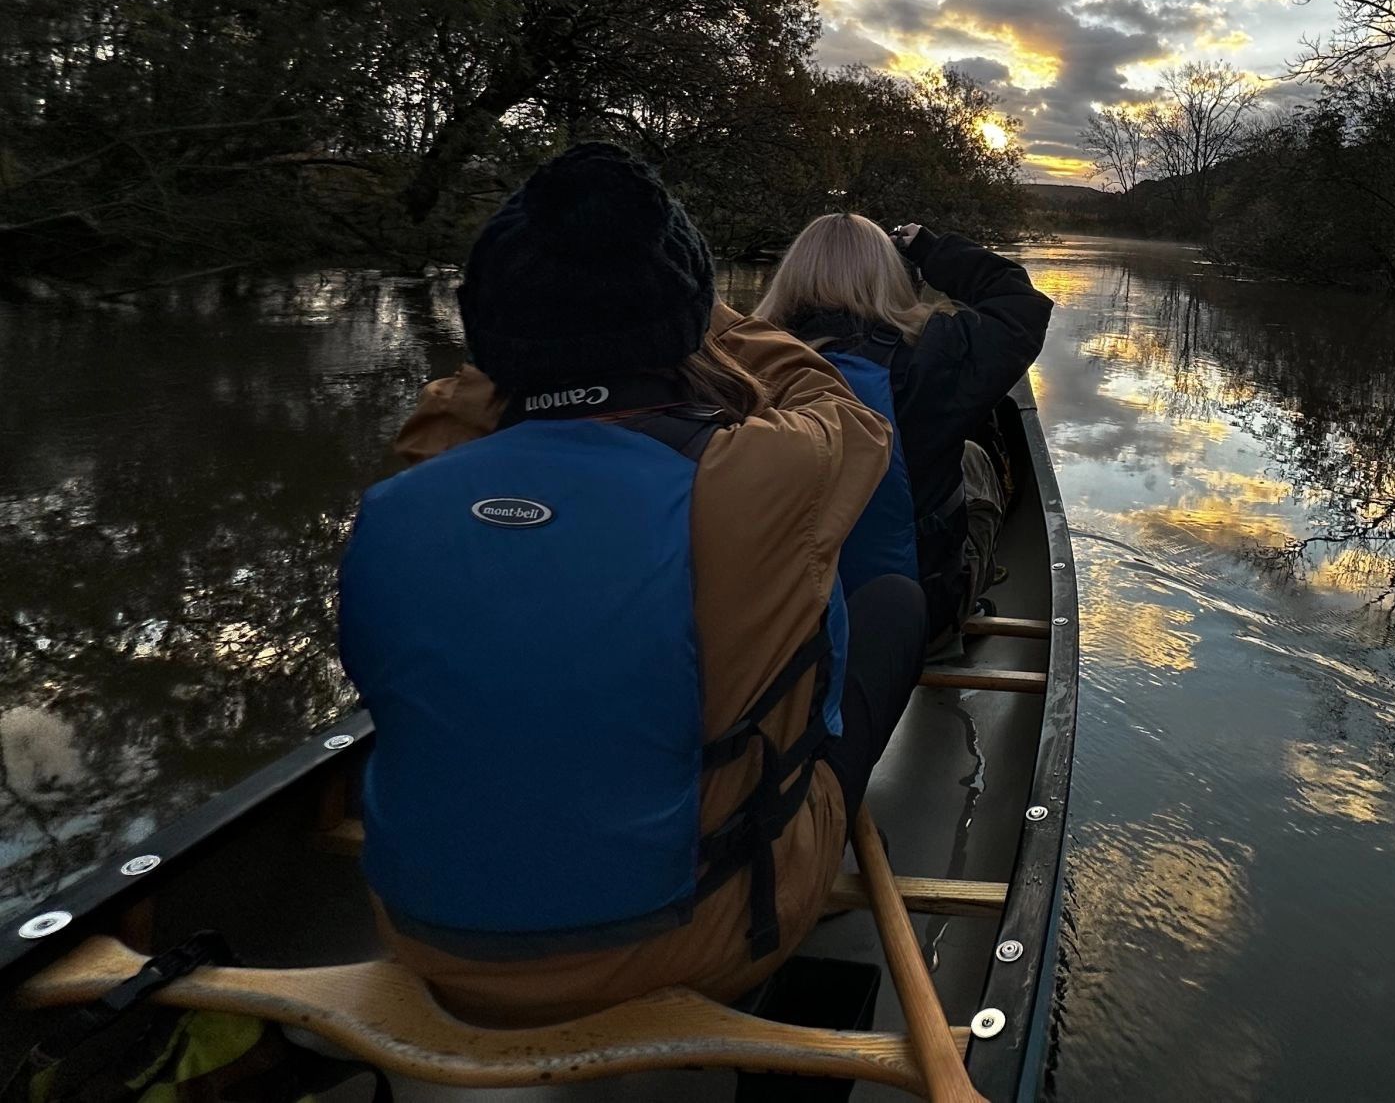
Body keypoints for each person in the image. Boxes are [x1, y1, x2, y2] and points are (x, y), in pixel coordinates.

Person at [338, 144, 927, 1024]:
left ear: (495, 330)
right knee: (892, 605)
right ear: (683, 317)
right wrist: (698, 312)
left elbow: (463, 395)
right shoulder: (760, 475)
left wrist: (570, 327)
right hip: (697, 941)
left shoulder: (410, 478)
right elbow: (837, 402)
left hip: (424, 938)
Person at [754, 214, 1052, 643]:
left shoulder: (744, 362)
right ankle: (957, 620)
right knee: (974, 460)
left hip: (780, 620)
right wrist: (930, 249)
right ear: (889, 275)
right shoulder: (934, 355)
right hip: (913, 618)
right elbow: (1021, 303)